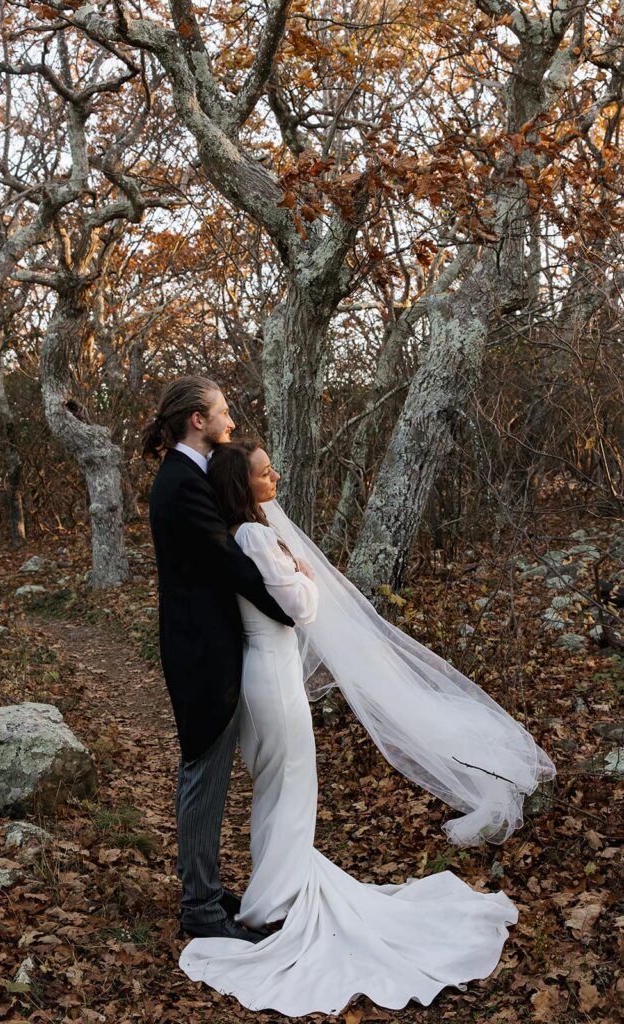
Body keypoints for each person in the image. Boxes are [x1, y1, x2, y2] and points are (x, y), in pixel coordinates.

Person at [179, 438, 556, 1017]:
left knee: (281, 790)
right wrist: (304, 570)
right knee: (292, 789)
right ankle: (273, 908)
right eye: (262, 472)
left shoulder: (241, 535)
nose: (274, 474)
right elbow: (301, 607)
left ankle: (273, 896)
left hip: (263, 672)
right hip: (272, 679)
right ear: (242, 486)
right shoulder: (254, 536)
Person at [142, 378, 295, 943]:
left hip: (204, 647)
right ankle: (200, 908)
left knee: (206, 774)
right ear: (196, 421)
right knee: (203, 777)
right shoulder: (182, 483)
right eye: (224, 413)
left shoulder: (190, 477)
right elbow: (229, 563)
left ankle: (205, 890)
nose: (231, 423)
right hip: (201, 654)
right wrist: (288, 609)